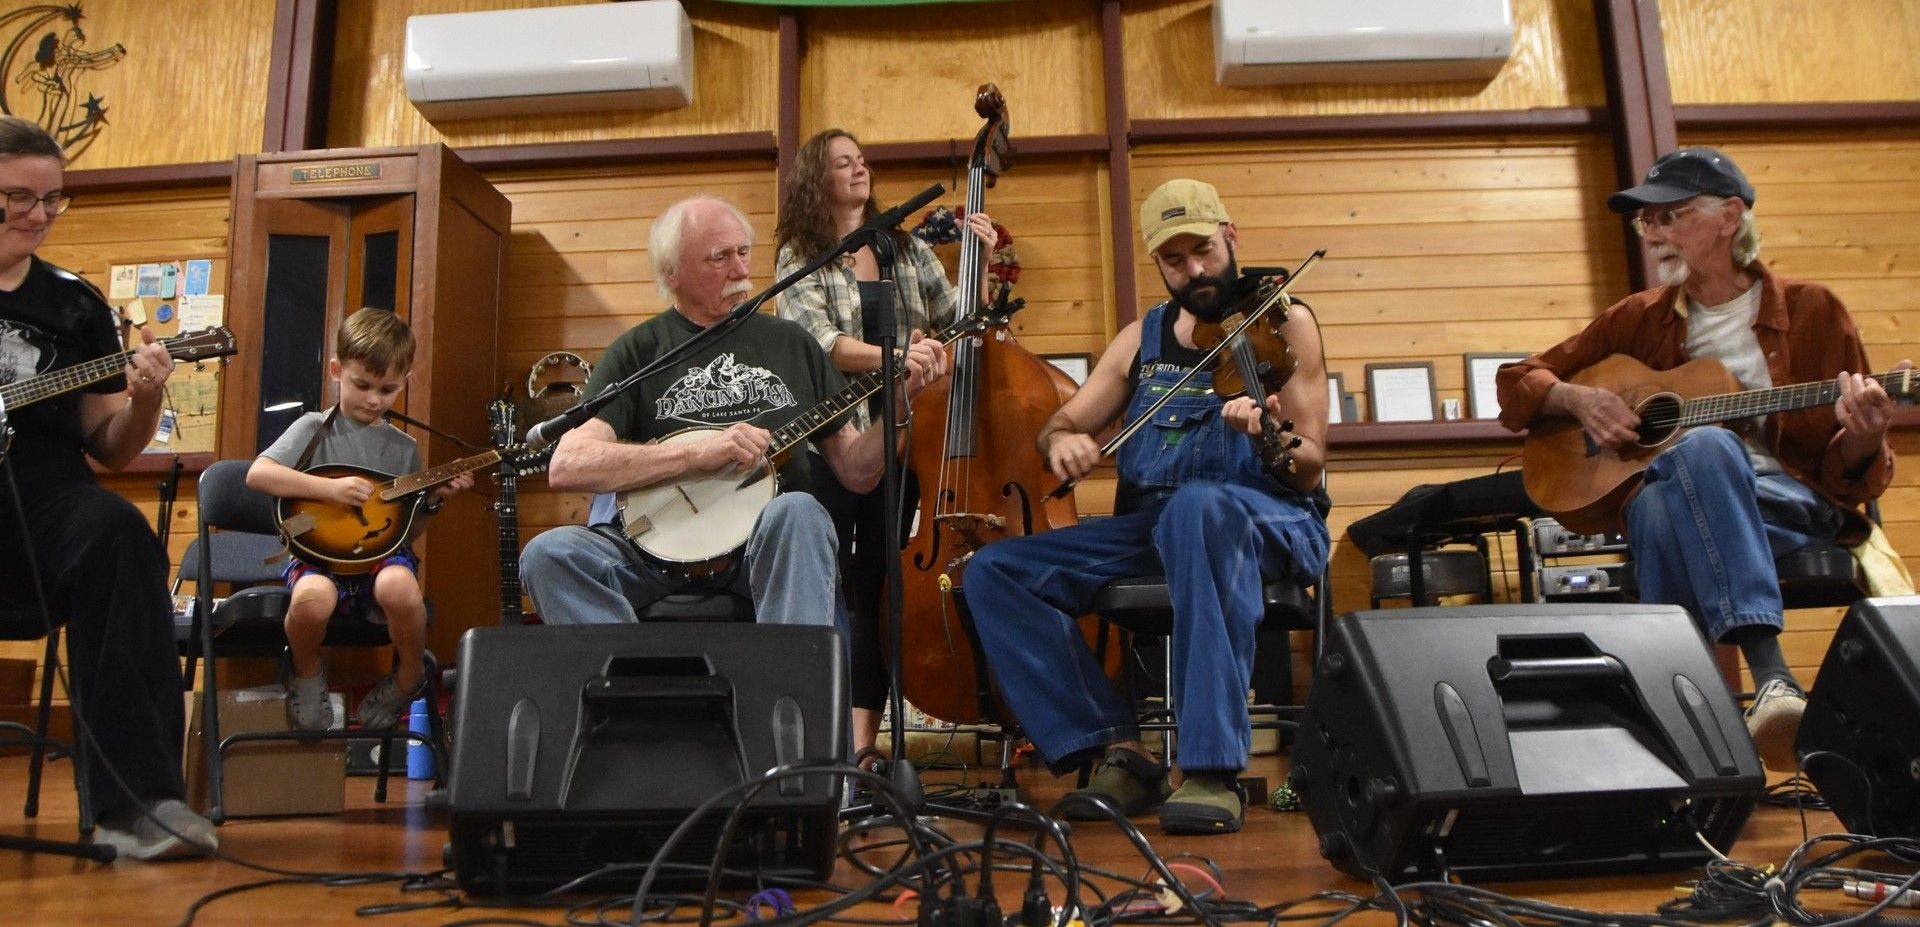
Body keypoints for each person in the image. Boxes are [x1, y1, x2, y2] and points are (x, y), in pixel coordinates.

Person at [1496, 147, 1903, 770]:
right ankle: (1766, 685)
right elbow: (1519, 379)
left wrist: (1865, 435)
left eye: (1671, 217)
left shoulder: (1813, 310)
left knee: (1693, 461)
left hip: (1788, 509)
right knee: (1665, 495)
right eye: (1647, 222)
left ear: (1729, 216)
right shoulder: (1639, 319)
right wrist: (1578, 400)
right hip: (1695, 513)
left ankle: (1685, 709)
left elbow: (1846, 477)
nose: (1654, 234)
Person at [964, 179, 1331, 835]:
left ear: (1231, 238)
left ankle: (1211, 767)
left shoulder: (1285, 321)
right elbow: (1062, 421)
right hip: (1159, 526)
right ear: (1158, 262)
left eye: (1204, 250)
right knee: (994, 572)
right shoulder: (1142, 339)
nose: (1194, 270)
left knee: (1198, 509)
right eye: (1175, 259)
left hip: (1270, 516)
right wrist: (1066, 441)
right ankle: (1121, 747)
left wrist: (1271, 437)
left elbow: (1310, 467)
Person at [518, 196, 949, 646]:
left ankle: (791, 702)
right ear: (672, 273)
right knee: (547, 554)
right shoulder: (637, 351)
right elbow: (569, 464)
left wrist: (899, 406)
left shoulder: (792, 344)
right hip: (652, 552)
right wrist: (695, 454)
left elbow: (859, 472)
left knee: (800, 512)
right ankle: (632, 682)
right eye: (719, 257)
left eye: (743, 253)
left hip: (764, 550)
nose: (741, 270)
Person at [0, 114, 216, 860]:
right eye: (18, 198)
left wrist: (149, 396)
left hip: (41, 501)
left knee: (118, 532)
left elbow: (111, 445)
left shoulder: (74, 304)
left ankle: (141, 804)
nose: (38, 215)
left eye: (52, 200)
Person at [773, 128, 998, 750]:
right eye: (843, 163)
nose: (859, 170)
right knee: (826, 581)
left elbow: (961, 324)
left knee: (877, 582)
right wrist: (896, 359)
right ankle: (811, 736)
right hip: (830, 439)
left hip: (903, 433)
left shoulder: (905, 246)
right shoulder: (802, 255)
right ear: (817, 179)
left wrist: (976, 266)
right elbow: (816, 343)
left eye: (862, 160)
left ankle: (863, 747)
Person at [248, 308, 471, 731]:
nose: (374, 399)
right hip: (318, 553)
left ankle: (408, 675)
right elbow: (258, 474)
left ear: (405, 382)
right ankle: (308, 670)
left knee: (401, 588)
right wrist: (329, 490)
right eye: (362, 385)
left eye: (388, 390)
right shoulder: (315, 427)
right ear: (336, 370)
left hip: (378, 557)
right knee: (312, 601)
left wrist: (434, 502)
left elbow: (407, 531)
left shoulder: (403, 448)